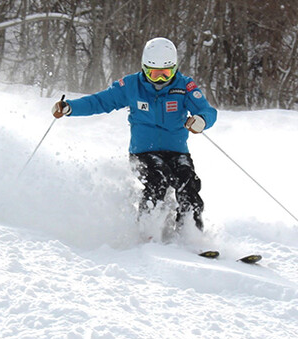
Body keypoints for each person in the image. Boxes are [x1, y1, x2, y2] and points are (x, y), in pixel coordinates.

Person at [52, 37, 217, 236]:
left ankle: (190, 235)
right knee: (158, 179)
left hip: (177, 152)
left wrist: (201, 120)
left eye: (166, 73)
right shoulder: (130, 86)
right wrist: (70, 107)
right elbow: (100, 101)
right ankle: (146, 231)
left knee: (188, 182)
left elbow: (207, 111)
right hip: (143, 153)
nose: (160, 80)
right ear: (144, 68)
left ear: (174, 69)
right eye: (153, 74)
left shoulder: (184, 87)